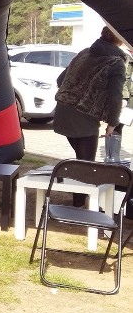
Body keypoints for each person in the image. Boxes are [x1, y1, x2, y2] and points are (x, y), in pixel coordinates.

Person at [54, 26, 127, 206]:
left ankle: (80, 199)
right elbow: (115, 96)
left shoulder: (84, 53)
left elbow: (60, 80)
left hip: (63, 111)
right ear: (119, 40)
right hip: (84, 116)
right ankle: (79, 205)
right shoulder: (116, 62)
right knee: (87, 166)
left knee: (81, 160)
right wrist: (112, 123)